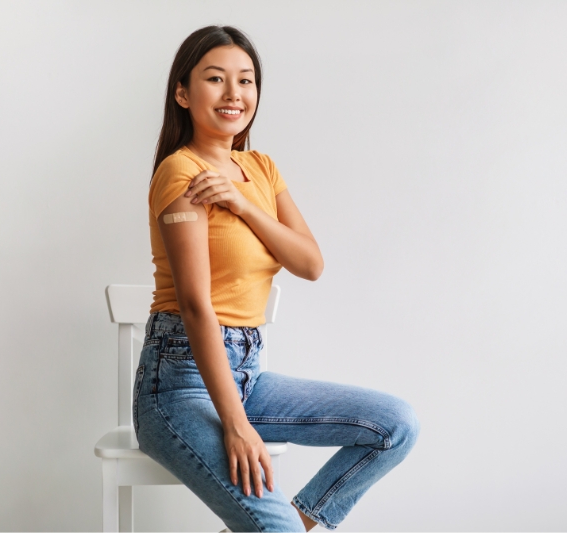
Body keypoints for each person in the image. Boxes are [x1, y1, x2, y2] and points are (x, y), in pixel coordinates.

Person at [133, 25, 420, 532]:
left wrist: (242, 204)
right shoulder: (182, 172)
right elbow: (197, 306)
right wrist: (238, 428)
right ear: (182, 93)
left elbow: (310, 262)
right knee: (275, 528)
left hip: (249, 373)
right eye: (215, 79)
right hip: (179, 385)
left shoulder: (261, 169)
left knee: (395, 425)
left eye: (245, 81)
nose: (233, 94)